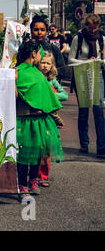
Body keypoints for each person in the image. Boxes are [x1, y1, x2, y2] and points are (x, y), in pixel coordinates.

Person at [15, 29, 63, 200]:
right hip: (24, 120)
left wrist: (54, 116)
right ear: (34, 54)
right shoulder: (19, 71)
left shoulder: (37, 73)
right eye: (39, 55)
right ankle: (22, 185)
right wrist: (13, 81)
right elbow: (14, 96)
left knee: (36, 153)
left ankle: (33, 180)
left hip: (40, 120)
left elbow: (46, 97)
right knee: (23, 154)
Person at [68, 14, 105, 159]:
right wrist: (85, 62)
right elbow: (71, 59)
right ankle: (84, 142)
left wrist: (99, 61)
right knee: (83, 109)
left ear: (98, 26)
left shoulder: (102, 39)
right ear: (85, 26)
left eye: (94, 27)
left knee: (98, 109)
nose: (92, 30)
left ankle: (101, 146)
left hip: (97, 76)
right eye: (89, 27)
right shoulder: (79, 38)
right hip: (82, 76)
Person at [37, 50, 68, 187]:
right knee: (35, 147)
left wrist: (50, 96)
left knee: (47, 149)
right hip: (36, 117)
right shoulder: (35, 77)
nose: (45, 65)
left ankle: (43, 176)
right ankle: (33, 174)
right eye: (42, 62)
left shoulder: (52, 80)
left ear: (52, 66)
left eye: (48, 63)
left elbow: (64, 95)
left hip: (49, 119)